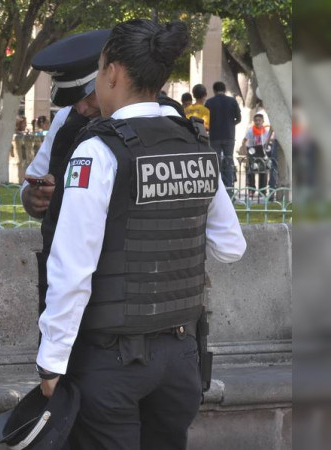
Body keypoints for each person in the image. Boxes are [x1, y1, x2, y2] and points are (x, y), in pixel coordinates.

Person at [35, 19, 246, 450]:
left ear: (112, 72)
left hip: (110, 363)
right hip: (181, 358)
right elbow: (230, 246)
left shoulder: (98, 151)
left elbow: (72, 268)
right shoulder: (194, 143)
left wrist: (51, 363)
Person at [22, 29, 183, 322]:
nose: (81, 108)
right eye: (72, 101)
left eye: (87, 96)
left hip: (141, 298)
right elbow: (32, 181)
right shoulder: (68, 120)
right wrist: (34, 197)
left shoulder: (167, 125)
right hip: (69, 299)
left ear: (111, 77)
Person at [205, 81, 242, 189]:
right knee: (228, 160)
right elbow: (238, 118)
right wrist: (231, 124)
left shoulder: (209, 102)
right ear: (225, 90)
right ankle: (229, 186)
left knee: (215, 161)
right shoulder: (232, 101)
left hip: (214, 136)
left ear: (214, 90)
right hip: (229, 135)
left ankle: (217, 185)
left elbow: (206, 120)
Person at [239, 112, 275, 196]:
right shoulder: (251, 130)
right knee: (251, 171)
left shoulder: (265, 131)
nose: (258, 122)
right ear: (254, 121)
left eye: (259, 120)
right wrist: (244, 149)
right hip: (253, 150)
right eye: (256, 120)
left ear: (263, 121)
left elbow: (268, 140)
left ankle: (262, 191)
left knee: (263, 171)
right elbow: (244, 140)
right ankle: (252, 189)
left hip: (262, 151)